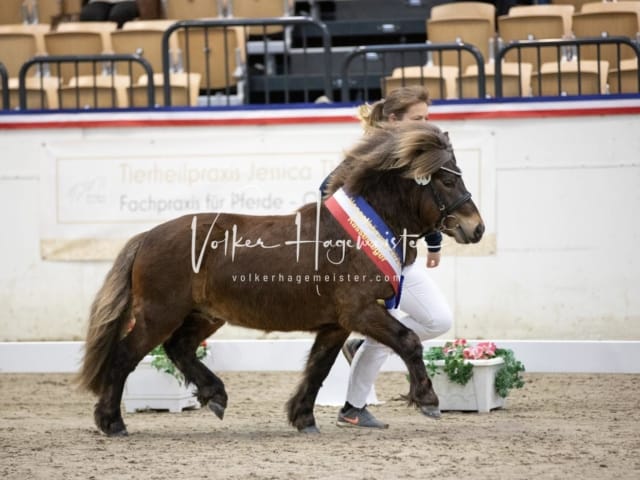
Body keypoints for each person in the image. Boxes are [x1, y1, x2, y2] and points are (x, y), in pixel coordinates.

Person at [326, 86, 453, 429]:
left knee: (439, 320)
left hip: (403, 261)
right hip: (370, 267)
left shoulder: (419, 154)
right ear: (394, 119)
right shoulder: (369, 154)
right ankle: (353, 409)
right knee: (386, 333)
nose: (427, 124)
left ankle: (365, 345)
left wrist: (435, 240)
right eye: (418, 118)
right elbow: (327, 190)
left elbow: (426, 202)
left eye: (427, 117)